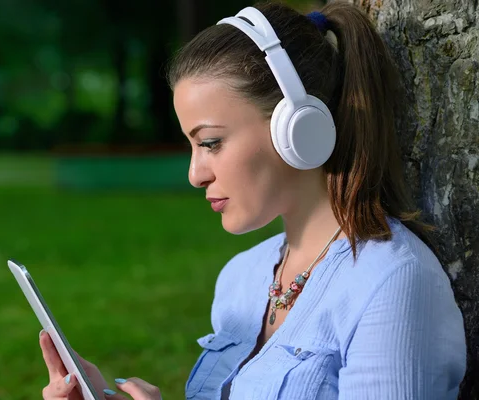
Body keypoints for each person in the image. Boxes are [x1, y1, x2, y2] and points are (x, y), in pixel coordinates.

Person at [39, 1, 467, 399]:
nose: (195, 174)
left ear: (298, 127)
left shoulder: (392, 283)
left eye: (210, 142)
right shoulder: (239, 280)